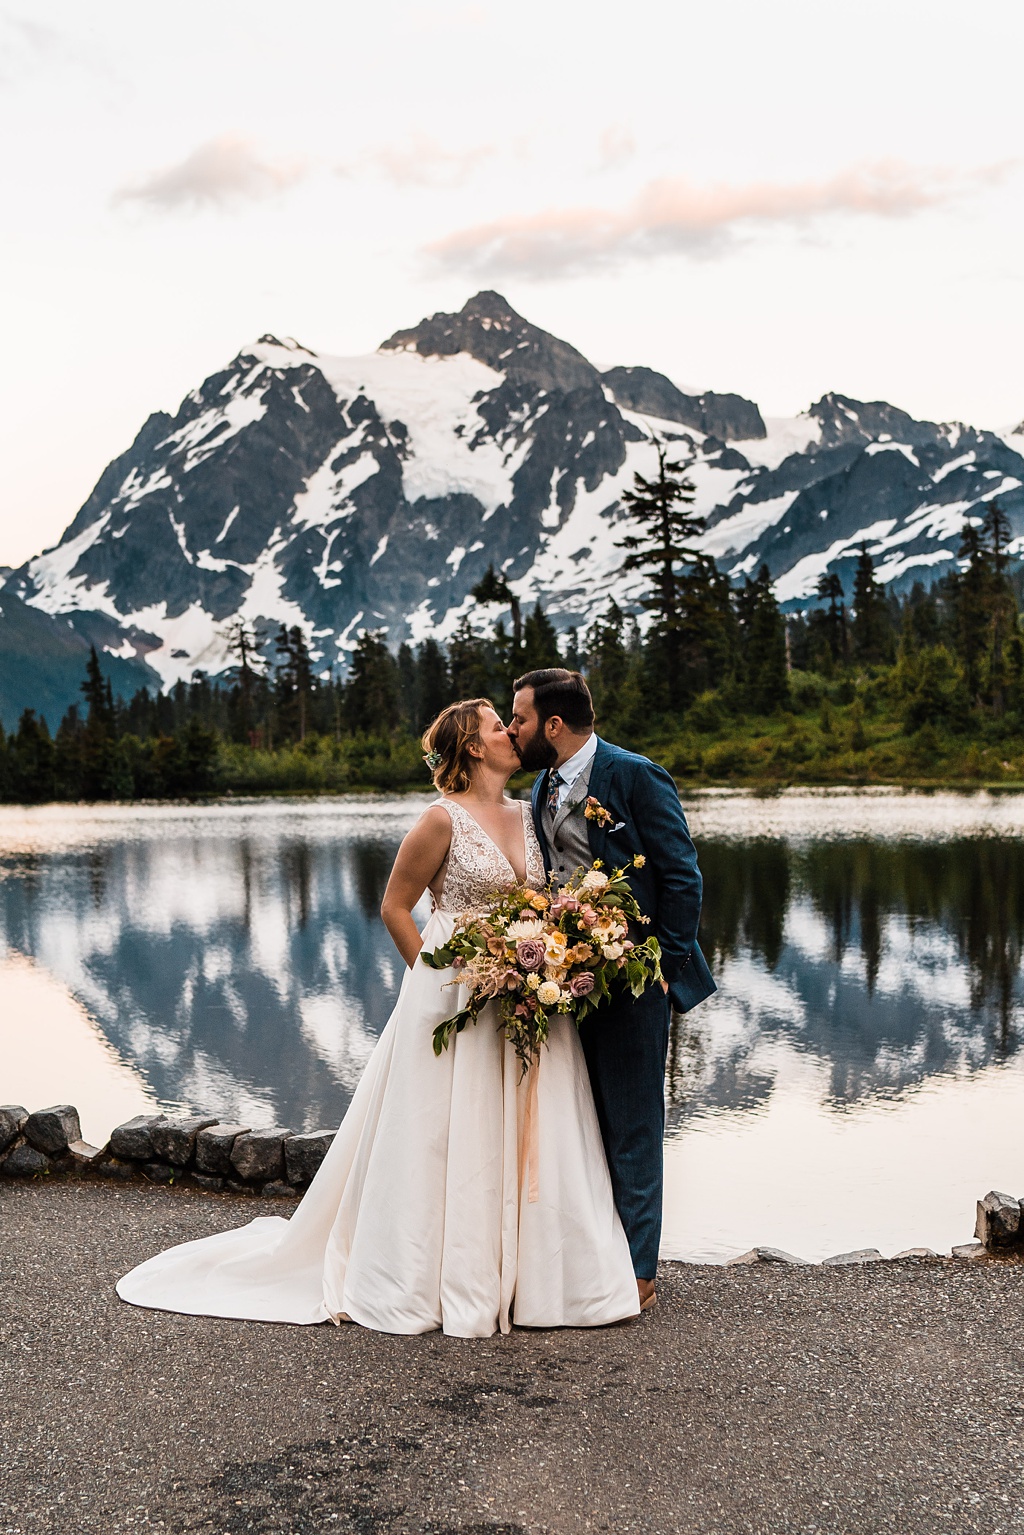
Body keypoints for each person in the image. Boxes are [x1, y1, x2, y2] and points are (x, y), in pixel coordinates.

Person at [116, 699, 640, 1337]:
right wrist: (435, 977)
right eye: (497, 727)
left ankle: (540, 1280)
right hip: (457, 993)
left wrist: (553, 953)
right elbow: (395, 906)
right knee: (445, 1133)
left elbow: (540, 898)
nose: (511, 733)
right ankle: (436, 1274)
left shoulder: (528, 815)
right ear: (473, 748)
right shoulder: (439, 821)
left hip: (527, 991)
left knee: (540, 1128)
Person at [508, 668, 715, 1312]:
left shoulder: (634, 775)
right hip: (567, 980)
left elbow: (683, 877)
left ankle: (640, 1272)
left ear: (553, 725)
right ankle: (591, 1258)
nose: (513, 730)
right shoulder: (542, 785)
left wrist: (663, 961)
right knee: (582, 1121)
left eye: (519, 719)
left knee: (633, 1121)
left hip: (635, 978)